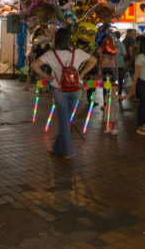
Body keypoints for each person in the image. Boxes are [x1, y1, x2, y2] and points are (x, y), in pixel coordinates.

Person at [32, 28, 97, 159]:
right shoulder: (77, 52)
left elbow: (34, 65)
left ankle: (68, 152)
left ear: (57, 39)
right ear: (69, 39)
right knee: (66, 119)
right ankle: (57, 148)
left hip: (59, 89)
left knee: (64, 120)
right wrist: (82, 73)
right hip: (76, 88)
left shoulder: (51, 54)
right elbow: (94, 60)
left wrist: (47, 77)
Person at [121, 36, 145, 135]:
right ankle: (139, 126)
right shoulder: (140, 57)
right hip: (144, 83)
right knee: (143, 104)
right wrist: (133, 88)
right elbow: (136, 73)